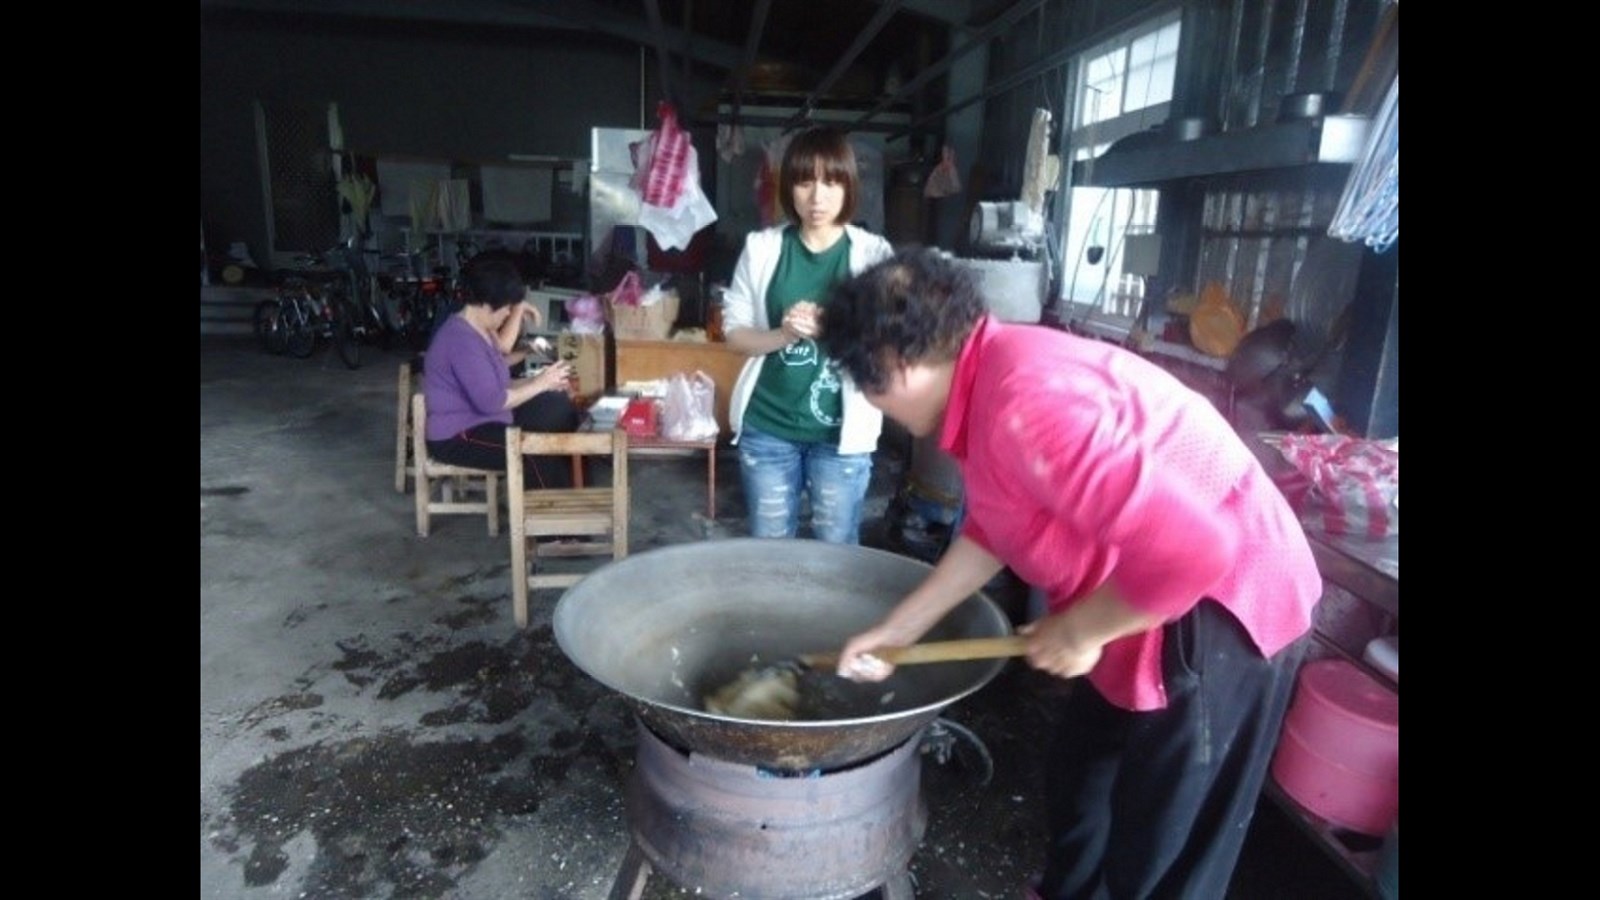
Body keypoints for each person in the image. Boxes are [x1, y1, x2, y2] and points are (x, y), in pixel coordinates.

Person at [821, 248, 1324, 900]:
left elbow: (1197, 549)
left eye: (868, 381)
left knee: (1163, 846)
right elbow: (996, 525)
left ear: (899, 363)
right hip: (1135, 593)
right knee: (1082, 783)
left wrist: (1082, 629)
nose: (870, 398)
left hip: (1220, 605)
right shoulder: (987, 376)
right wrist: (897, 631)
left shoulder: (1025, 401)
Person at [722, 126, 895, 543]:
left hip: (842, 435)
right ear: (788, 187)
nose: (818, 197)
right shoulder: (762, 249)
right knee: (770, 548)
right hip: (767, 429)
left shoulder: (874, 254)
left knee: (836, 551)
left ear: (848, 186)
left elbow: (890, 343)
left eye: (831, 182)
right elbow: (734, 334)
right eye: (805, 182)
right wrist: (783, 334)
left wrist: (833, 328)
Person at [422, 252, 581, 489]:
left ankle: (568, 490)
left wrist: (543, 381)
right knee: (534, 452)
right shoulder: (461, 340)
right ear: (488, 304)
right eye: (506, 308)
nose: (508, 313)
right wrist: (540, 383)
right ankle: (545, 509)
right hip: (460, 435)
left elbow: (500, 385)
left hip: (486, 421)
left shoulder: (482, 331)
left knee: (559, 408)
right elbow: (492, 401)